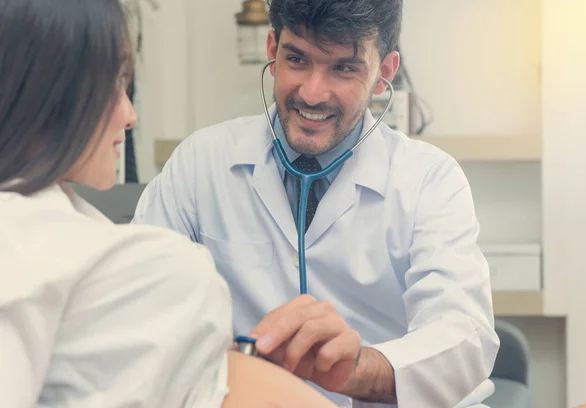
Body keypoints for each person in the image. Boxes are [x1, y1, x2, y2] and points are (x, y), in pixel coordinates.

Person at [132, 0, 500, 406]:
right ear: (273, 50)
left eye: (344, 68)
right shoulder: (200, 163)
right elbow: (139, 305)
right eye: (297, 59)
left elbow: (464, 337)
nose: (312, 92)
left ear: (384, 74)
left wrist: (356, 368)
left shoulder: (430, 180)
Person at [0, 1, 338, 407]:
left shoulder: (54, 220)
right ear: (45, 91)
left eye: (344, 67)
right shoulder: (17, 235)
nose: (131, 115)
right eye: (113, 84)